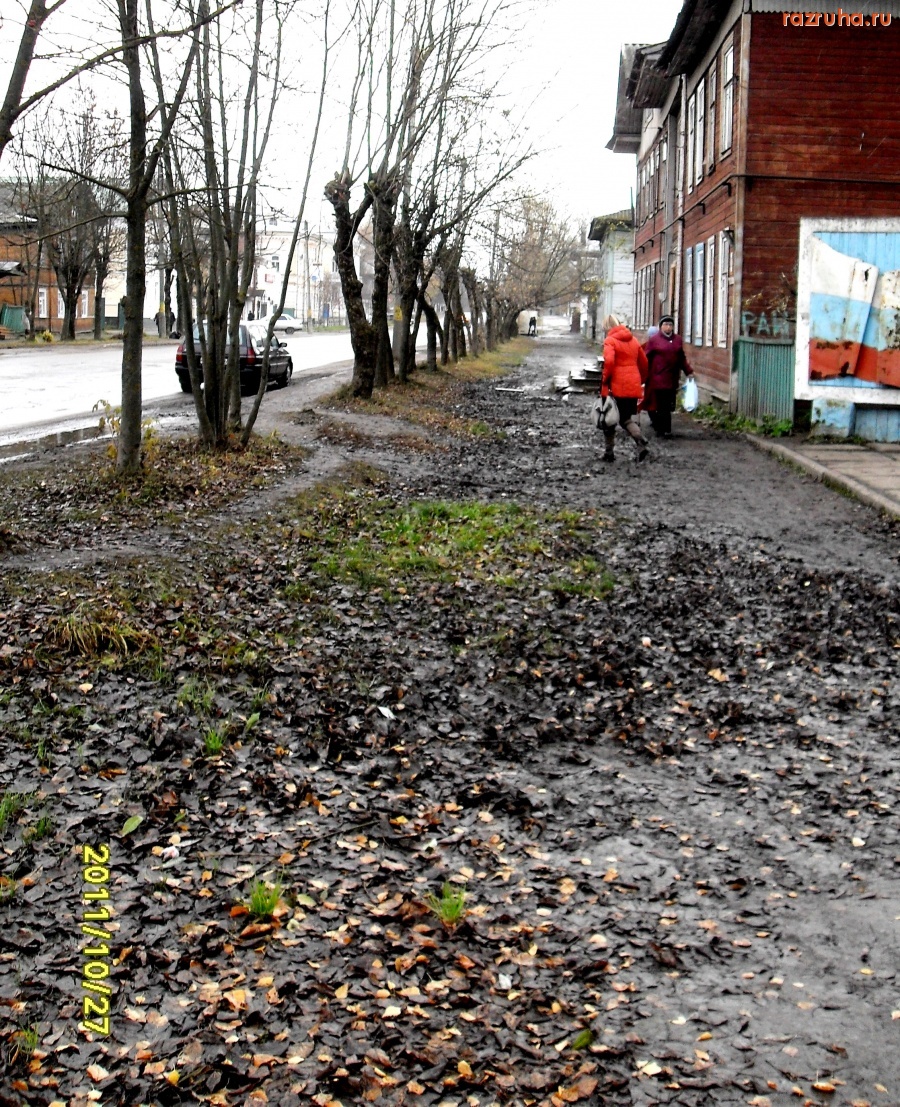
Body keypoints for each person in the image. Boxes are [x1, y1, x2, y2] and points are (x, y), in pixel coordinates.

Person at [599, 314, 650, 463]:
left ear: (607, 327)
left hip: (616, 386)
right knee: (626, 418)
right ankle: (640, 441)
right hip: (632, 385)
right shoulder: (633, 340)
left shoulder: (610, 341)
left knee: (608, 419)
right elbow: (644, 363)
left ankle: (609, 453)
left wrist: (605, 380)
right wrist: (639, 380)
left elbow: (609, 362)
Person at [642, 314, 695, 438]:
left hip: (672, 377)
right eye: (665, 324)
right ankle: (663, 430)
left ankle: (664, 428)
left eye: (670, 325)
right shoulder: (654, 340)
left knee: (669, 404)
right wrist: (643, 374)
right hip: (658, 377)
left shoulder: (677, 340)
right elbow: (646, 357)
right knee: (661, 404)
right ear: (660, 327)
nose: (668, 327)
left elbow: (681, 358)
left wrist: (689, 371)